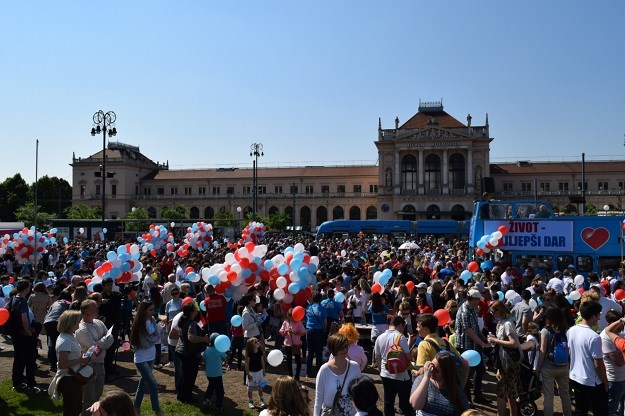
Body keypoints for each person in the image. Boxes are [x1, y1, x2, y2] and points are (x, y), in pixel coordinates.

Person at [567, 299, 608, 416]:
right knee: (601, 412)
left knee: (580, 410)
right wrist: (605, 382)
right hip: (592, 382)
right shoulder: (594, 337)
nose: (599, 318)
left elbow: (570, 353)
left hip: (575, 377)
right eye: (598, 315)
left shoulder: (571, 330)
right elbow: (598, 364)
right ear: (593, 316)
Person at [74, 299, 114, 416]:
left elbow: (110, 337)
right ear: (86, 312)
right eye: (95, 308)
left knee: (98, 396)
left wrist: (101, 342)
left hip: (100, 364)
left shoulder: (99, 322)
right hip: (88, 366)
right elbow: (94, 348)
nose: (98, 309)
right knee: (88, 399)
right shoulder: (81, 328)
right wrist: (103, 341)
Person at [49, 310, 91, 416]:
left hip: (73, 377)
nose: (80, 323)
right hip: (68, 379)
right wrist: (80, 360)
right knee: (71, 410)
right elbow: (62, 364)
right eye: (78, 321)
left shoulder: (69, 336)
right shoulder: (65, 341)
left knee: (76, 408)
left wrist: (81, 357)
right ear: (71, 323)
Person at [455, 289, 491, 405]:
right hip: (465, 346)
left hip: (472, 345)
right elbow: (469, 331)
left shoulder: (472, 309)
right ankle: (468, 400)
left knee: (479, 370)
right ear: (472, 299)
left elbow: (475, 328)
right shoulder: (465, 311)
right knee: (467, 374)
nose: (479, 302)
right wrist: (483, 343)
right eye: (477, 300)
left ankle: (476, 396)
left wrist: (484, 339)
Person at [534, 307, 572, 416]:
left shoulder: (545, 331)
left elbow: (542, 351)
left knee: (549, 395)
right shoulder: (566, 330)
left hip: (548, 367)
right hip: (564, 367)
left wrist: (538, 368)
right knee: (565, 394)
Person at [129, 300, 164, 416]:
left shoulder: (152, 320)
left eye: (153, 309)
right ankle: (157, 409)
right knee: (153, 384)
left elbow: (157, 336)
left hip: (151, 356)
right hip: (141, 358)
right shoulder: (139, 325)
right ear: (144, 311)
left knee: (143, 383)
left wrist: (151, 339)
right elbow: (144, 344)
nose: (153, 312)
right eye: (150, 310)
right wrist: (152, 339)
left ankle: (135, 408)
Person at [487, 300, 522, 416]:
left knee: (501, 392)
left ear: (499, 310)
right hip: (504, 361)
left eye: (493, 312)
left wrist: (495, 340)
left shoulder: (507, 324)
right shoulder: (501, 322)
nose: (492, 314)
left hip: (509, 363)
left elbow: (514, 343)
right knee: (510, 392)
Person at [409, 351, 470, 416]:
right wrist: (426, 378)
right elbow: (416, 405)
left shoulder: (455, 388)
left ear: (446, 373)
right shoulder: (422, 380)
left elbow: (465, 411)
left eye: (436, 370)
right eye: (431, 366)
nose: (431, 371)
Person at [373, 315, 413, 416]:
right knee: (405, 402)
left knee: (388, 402)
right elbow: (408, 356)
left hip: (385, 373)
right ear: (400, 325)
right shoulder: (401, 337)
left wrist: (380, 369)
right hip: (401, 375)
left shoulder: (380, 337)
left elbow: (377, 357)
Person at [313, 334, 361, 416]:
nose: (345, 350)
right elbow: (318, 400)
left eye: (346, 346)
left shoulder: (355, 367)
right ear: (333, 349)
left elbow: (360, 394)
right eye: (341, 347)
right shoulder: (324, 370)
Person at [9, 279, 42, 392]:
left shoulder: (14, 298)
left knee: (19, 359)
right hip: (24, 334)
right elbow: (24, 319)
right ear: (27, 288)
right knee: (29, 359)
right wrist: (28, 331)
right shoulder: (22, 301)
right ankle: (30, 385)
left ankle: (17, 382)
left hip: (16, 334)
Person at [176, 301, 208, 403]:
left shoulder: (183, 321)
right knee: (190, 375)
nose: (197, 311)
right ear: (191, 312)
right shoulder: (191, 323)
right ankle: (187, 397)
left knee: (184, 374)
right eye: (195, 309)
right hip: (188, 352)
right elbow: (191, 337)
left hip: (181, 350)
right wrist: (203, 339)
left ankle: (181, 395)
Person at [602, 309, 625, 416]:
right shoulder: (605, 338)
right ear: (610, 324)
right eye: (619, 324)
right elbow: (619, 362)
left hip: (622, 378)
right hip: (615, 381)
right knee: (610, 411)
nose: (622, 327)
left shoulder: (619, 334)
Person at [43, 290, 73, 372]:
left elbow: (47, 314)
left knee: (52, 344)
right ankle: (59, 363)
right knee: (59, 344)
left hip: (47, 323)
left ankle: (53, 364)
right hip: (57, 323)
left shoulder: (55, 303)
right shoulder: (67, 302)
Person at [98, 277, 122, 377]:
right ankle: (103, 369)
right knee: (103, 347)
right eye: (108, 285)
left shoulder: (115, 295)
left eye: (111, 284)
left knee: (112, 347)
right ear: (103, 286)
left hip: (114, 324)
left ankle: (109, 368)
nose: (110, 287)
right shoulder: (100, 296)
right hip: (104, 326)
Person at [203, 332, 228, 410]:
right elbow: (225, 358)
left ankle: (206, 398)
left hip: (208, 373)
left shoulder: (206, 350)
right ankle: (219, 406)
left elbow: (204, 359)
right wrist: (226, 363)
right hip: (217, 374)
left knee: (211, 385)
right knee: (219, 390)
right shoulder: (219, 350)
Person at [280, 307, 306, 380]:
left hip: (296, 344)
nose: (290, 318)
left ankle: (297, 376)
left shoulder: (298, 322)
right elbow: (282, 332)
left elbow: (303, 332)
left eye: (291, 316)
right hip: (288, 344)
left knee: (298, 359)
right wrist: (285, 331)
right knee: (289, 359)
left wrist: (295, 333)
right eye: (289, 316)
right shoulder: (285, 322)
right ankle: (290, 375)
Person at [306, 293, 327, 378]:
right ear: (320, 299)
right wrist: (324, 329)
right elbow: (325, 321)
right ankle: (318, 373)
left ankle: (308, 372)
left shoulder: (309, 308)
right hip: (319, 331)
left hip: (309, 330)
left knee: (310, 352)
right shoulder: (322, 309)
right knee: (318, 353)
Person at [245, 336, 268, 409]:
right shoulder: (249, 354)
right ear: (251, 345)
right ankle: (250, 401)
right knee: (250, 389)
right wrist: (248, 374)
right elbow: (247, 364)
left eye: (257, 341)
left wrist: (264, 370)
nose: (258, 342)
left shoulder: (260, 351)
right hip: (252, 373)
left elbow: (262, 362)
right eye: (256, 342)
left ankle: (261, 400)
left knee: (260, 387)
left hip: (259, 372)